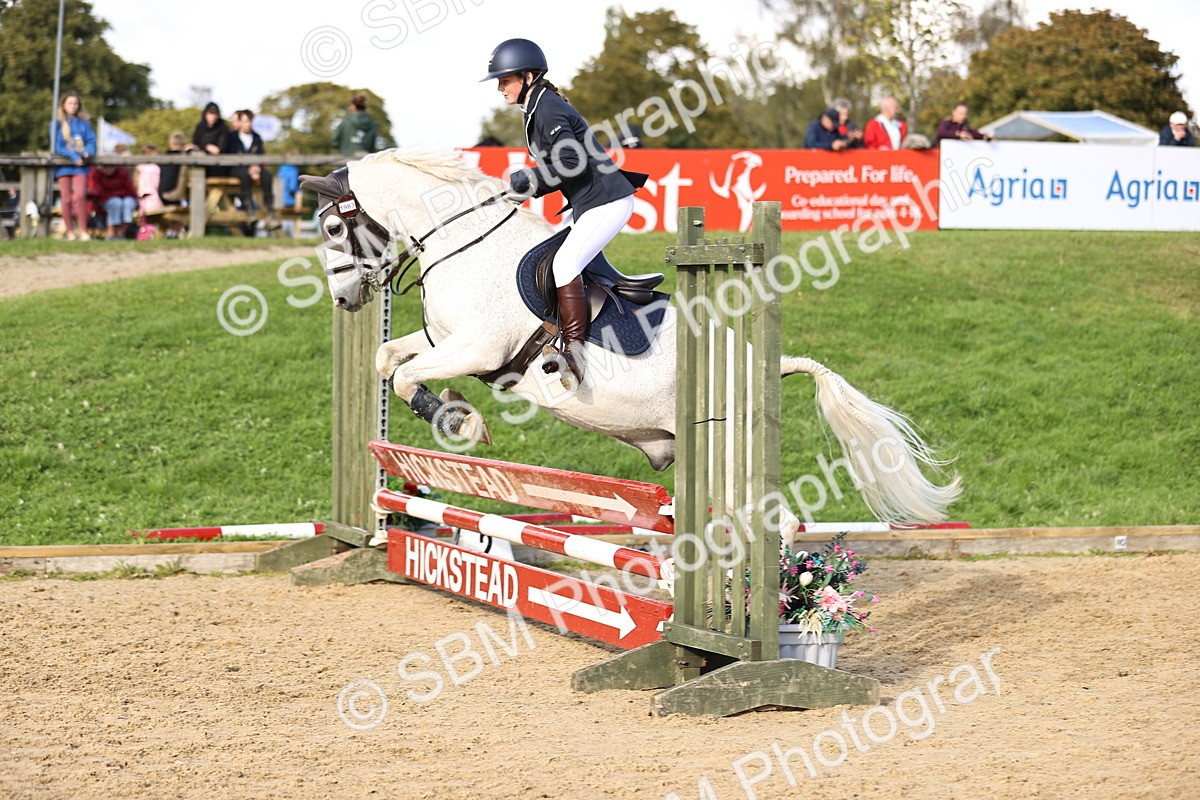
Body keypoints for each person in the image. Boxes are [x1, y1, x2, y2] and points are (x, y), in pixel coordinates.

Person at [485, 37, 647, 386]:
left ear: (527, 76)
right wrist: (520, 189)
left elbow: (570, 163)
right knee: (555, 258)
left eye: (505, 80)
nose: (500, 88)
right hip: (592, 203)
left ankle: (574, 352)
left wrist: (526, 181)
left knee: (564, 264)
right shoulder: (538, 106)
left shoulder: (548, 108)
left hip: (607, 201)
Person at [51, 91, 96, 241]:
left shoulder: (84, 123)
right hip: (64, 166)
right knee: (66, 199)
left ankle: (83, 230)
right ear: (64, 105)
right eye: (70, 103)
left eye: (75, 103)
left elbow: (91, 141)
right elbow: (58, 146)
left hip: (81, 166)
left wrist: (87, 153)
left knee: (81, 195)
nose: (73, 106)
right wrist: (73, 156)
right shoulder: (57, 124)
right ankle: (70, 231)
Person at [222, 109, 276, 233]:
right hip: (237, 169)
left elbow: (261, 155)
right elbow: (231, 155)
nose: (248, 124)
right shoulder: (232, 137)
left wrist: (256, 168)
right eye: (245, 121)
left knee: (267, 177)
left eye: (250, 121)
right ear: (240, 122)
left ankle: (270, 213)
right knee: (244, 176)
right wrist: (249, 168)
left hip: (255, 168)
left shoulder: (257, 137)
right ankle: (249, 212)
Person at [89, 161, 138, 240]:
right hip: (108, 201)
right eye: (106, 166)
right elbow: (99, 193)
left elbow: (130, 191)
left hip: (124, 199)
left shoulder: (123, 173)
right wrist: (118, 195)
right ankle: (111, 232)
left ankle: (121, 232)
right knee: (116, 202)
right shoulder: (97, 175)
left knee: (127, 202)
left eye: (111, 166)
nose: (109, 169)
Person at [332, 93, 381, 157]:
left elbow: (335, 141)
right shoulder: (373, 124)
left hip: (346, 161)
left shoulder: (345, 122)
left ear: (353, 106)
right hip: (365, 161)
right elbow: (373, 145)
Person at [192, 101, 229, 176]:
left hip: (219, 164)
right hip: (201, 162)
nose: (213, 117)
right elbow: (195, 144)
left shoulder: (223, 127)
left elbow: (221, 148)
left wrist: (204, 147)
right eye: (210, 114)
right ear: (205, 114)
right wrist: (207, 147)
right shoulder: (200, 127)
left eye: (215, 114)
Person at [135, 144, 164, 215]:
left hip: (141, 201)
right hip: (155, 200)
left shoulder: (138, 168)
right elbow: (158, 185)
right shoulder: (155, 168)